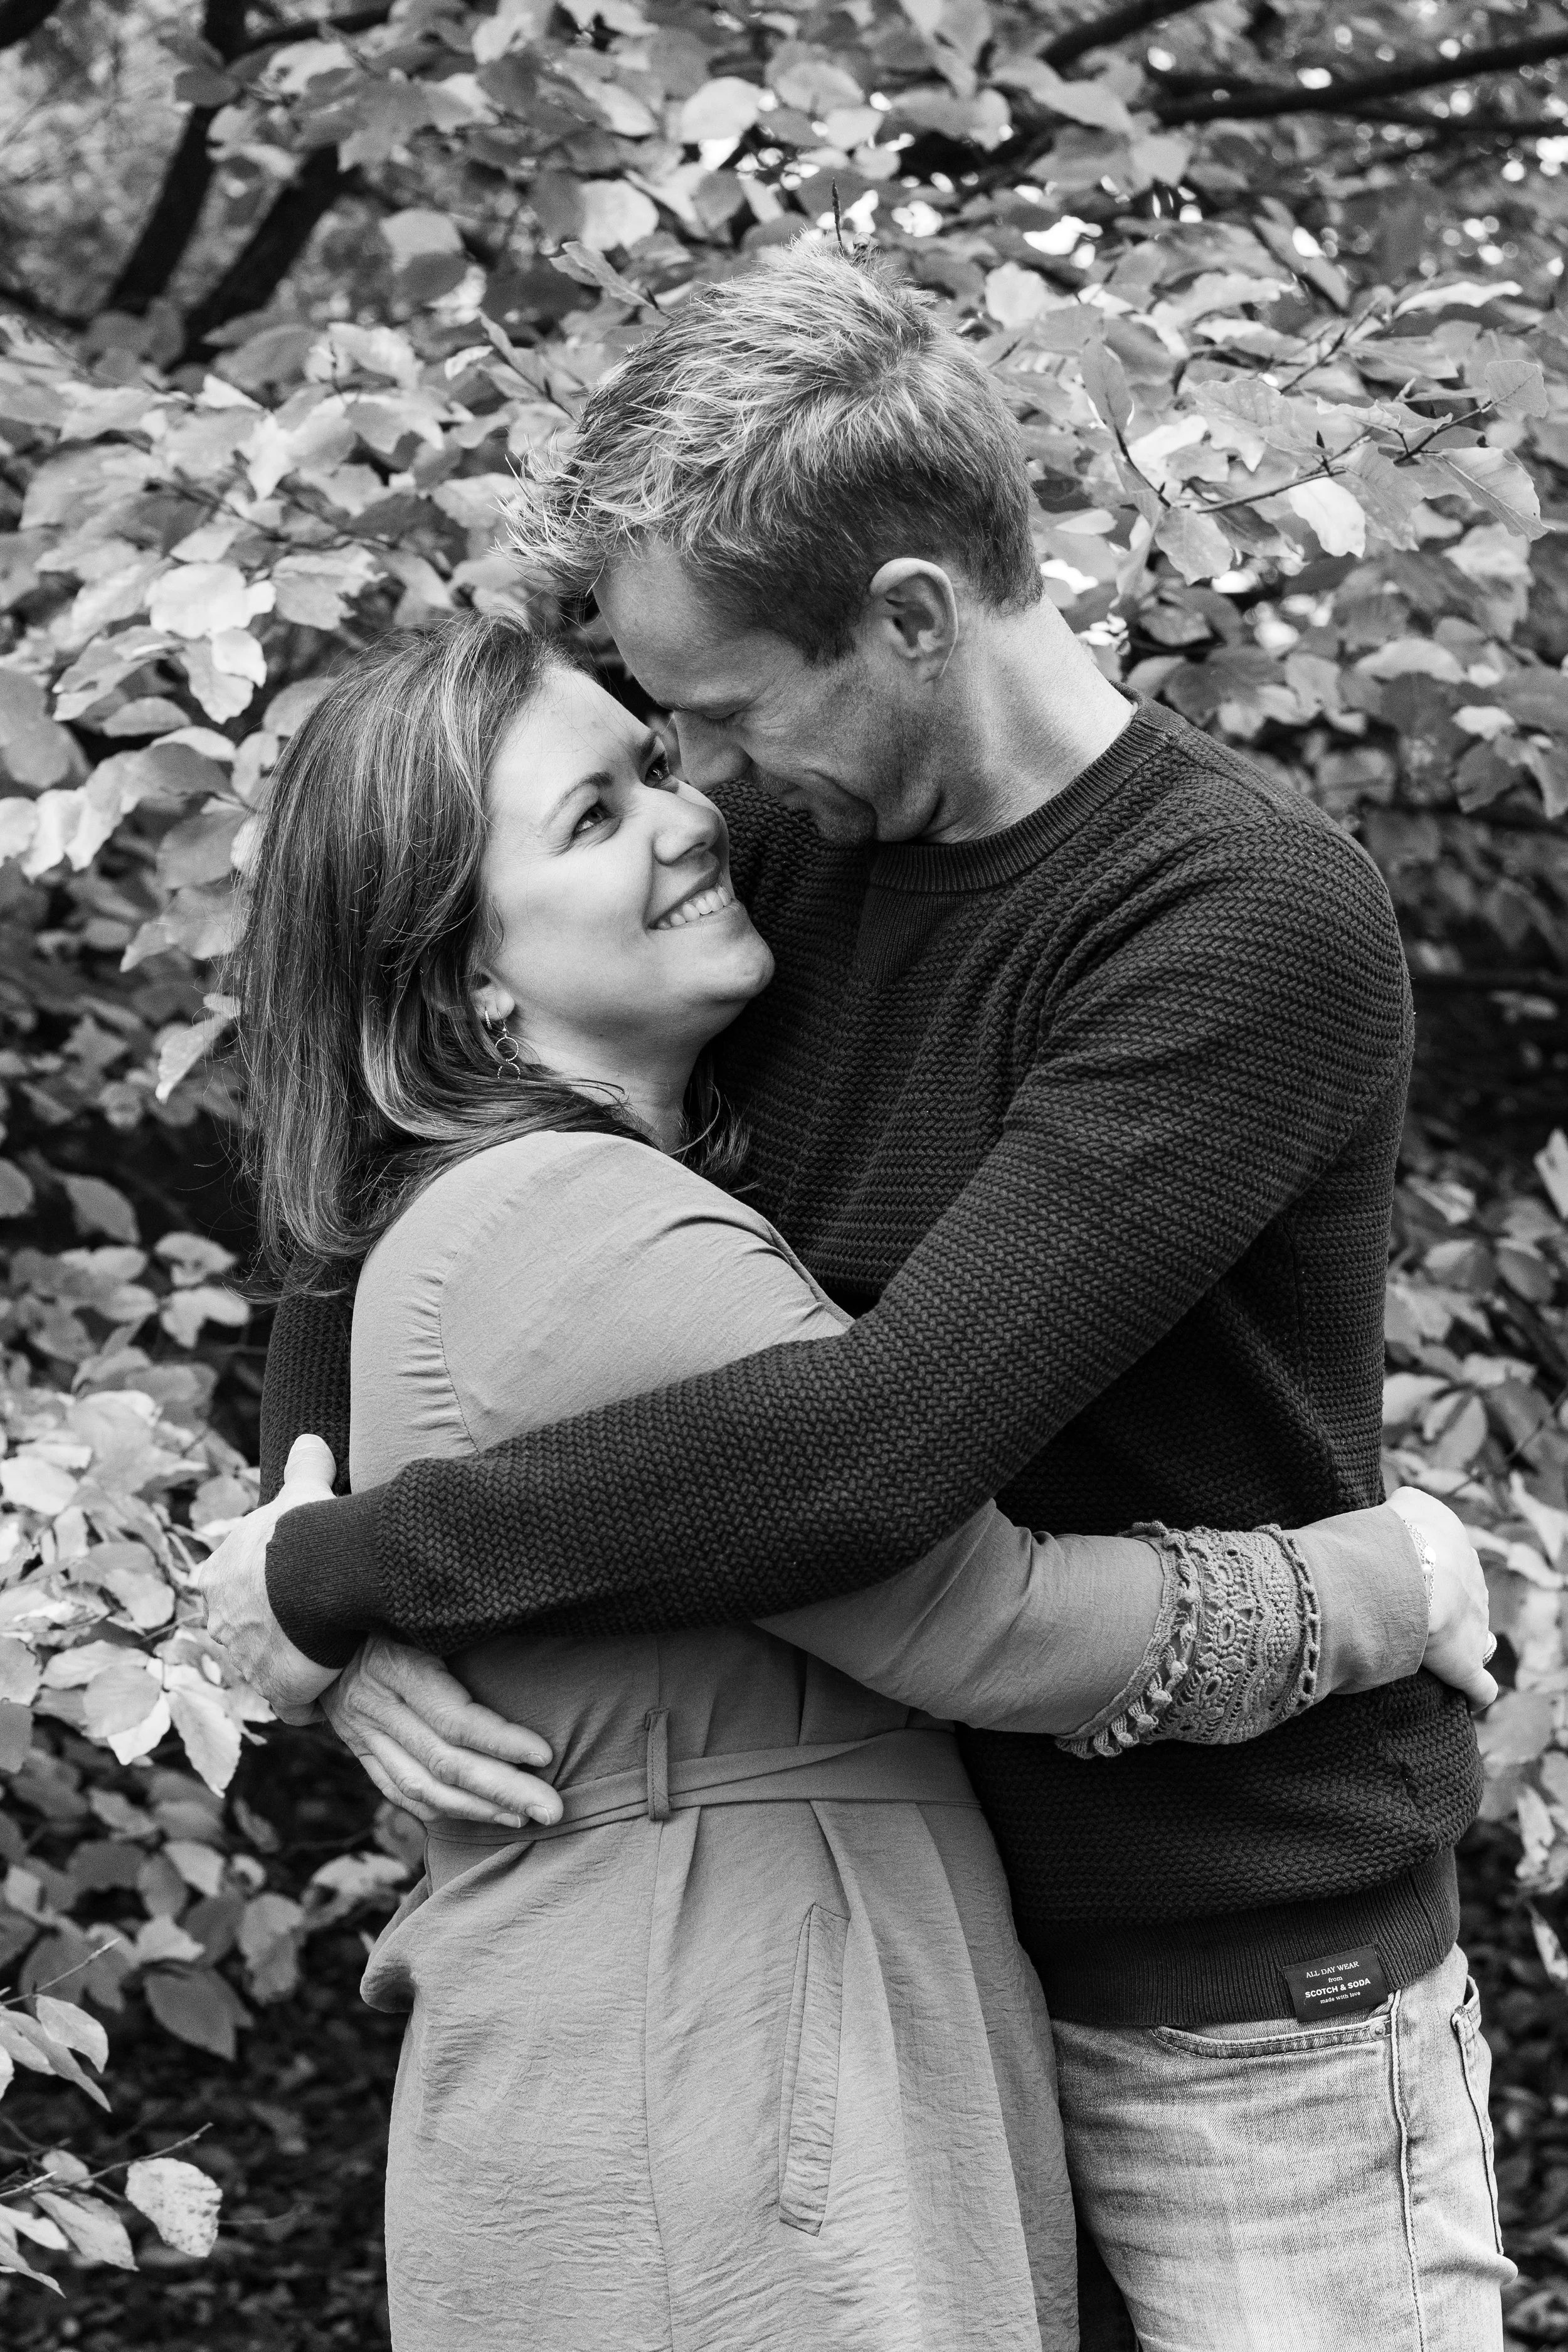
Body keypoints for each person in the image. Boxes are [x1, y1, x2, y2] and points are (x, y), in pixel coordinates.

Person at [204, 245, 1512, 2350]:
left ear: (908, 617)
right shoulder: (788, 857)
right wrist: (318, 1594)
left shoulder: (1228, 916)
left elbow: (877, 1452)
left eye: (716, 711)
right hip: (895, 1955)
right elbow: (385, 1195)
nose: (697, 776)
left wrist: (348, 1564)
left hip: (1231, 1988)